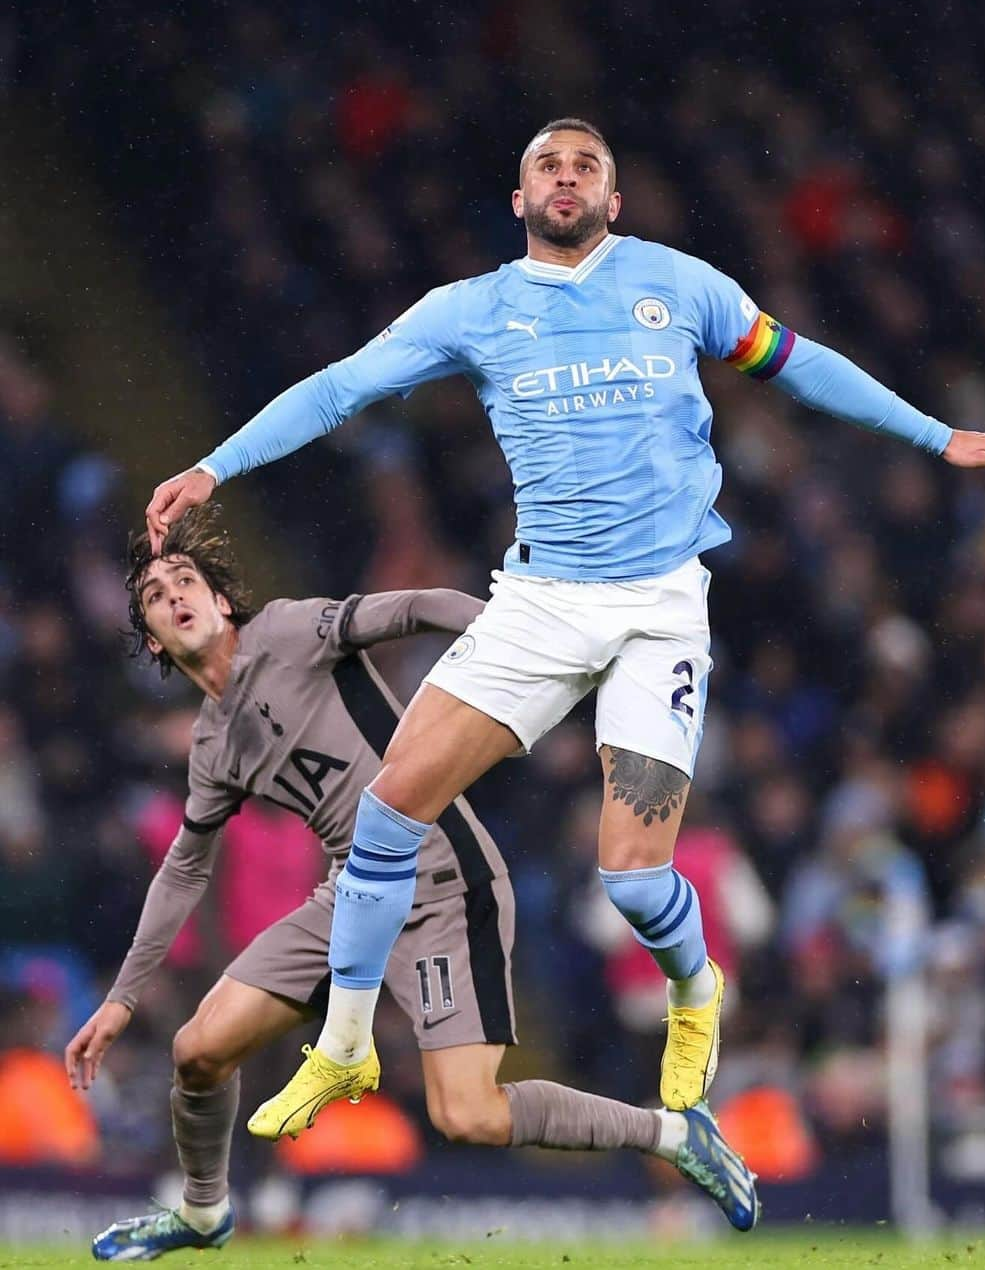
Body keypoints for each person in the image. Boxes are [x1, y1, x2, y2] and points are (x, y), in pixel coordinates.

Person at [145, 118, 985, 1222]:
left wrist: (933, 435)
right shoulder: (472, 310)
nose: (566, 177)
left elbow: (798, 361)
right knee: (388, 811)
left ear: (613, 203)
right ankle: (342, 1044)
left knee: (630, 879)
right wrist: (214, 463)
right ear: (518, 196)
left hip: (661, 607)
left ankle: (694, 985)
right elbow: (340, 388)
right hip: (540, 603)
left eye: (587, 167)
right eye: (547, 165)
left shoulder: (681, 286)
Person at [69, 505, 759, 1262]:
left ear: (222, 599)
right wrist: (121, 998)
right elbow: (184, 868)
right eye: (155, 597)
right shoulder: (211, 746)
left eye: (185, 579)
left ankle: (671, 1132)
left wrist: (533, 648)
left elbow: (416, 608)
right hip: (349, 893)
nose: (173, 595)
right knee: (197, 1050)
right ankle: (203, 1213)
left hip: (440, 882)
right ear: (154, 640)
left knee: (468, 1114)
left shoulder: (292, 631)